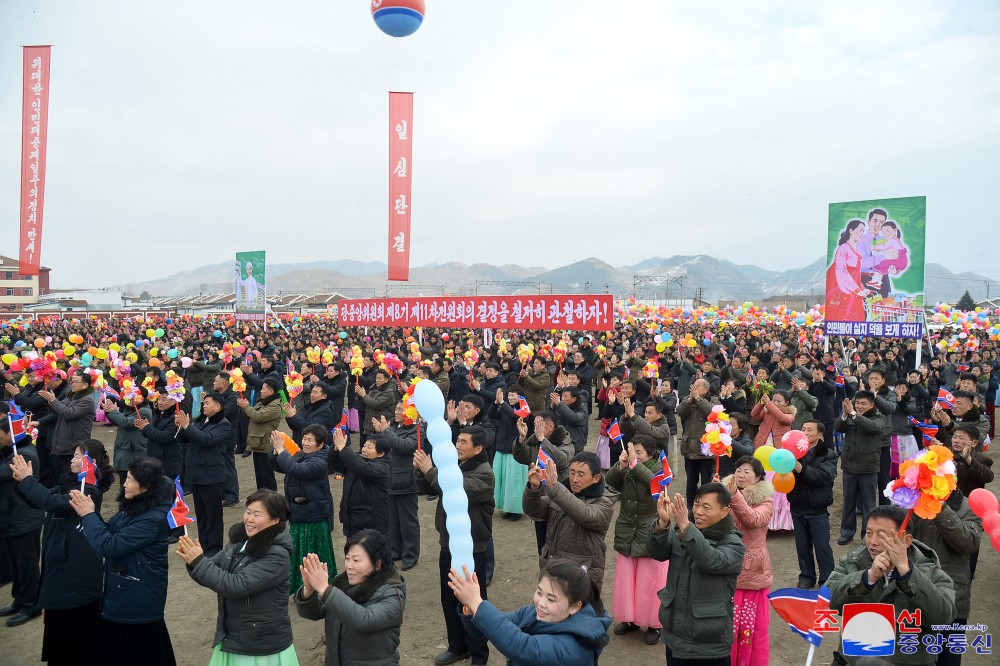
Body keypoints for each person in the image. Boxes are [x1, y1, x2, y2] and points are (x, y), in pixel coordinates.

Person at [69, 457, 176, 665]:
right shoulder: (133, 506)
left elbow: (110, 546)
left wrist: (89, 515)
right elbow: (111, 531)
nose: (124, 483)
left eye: (130, 479)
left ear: (145, 487)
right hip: (124, 593)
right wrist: (91, 516)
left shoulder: (152, 519)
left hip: (138, 598)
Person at [10, 440, 110, 661]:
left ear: (90, 462)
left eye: (77, 455)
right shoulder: (69, 483)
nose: (72, 459)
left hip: (74, 570)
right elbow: (45, 499)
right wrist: (24, 480)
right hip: (60, 565)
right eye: (73, 455)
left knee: (77, 635)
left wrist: (28, 481)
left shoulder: (89, 491)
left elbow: (54, 503)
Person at [176, 489, 299, 665]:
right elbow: (212, 571)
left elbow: (235, 586)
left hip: (259, 644)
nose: (249, 519)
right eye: (248, 512)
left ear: (275, 521)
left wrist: (199, 562)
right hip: (235, 636)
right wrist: (194, 561)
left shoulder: (277, 555)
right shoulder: (240, 541)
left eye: (257, 514)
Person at [827, 505, 957, 666]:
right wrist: (867, 577)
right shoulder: (853, 562)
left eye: (882, 535)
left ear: (906, 540)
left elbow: (943, 617)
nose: (872, 542)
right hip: (854, 659)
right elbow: (826, 600)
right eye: (868, 533)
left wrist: (907, 573)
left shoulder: (929, 570)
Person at [414, 426, 495, 666]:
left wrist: (430, 471)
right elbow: (431, 487)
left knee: (473, 602)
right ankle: (457, 646)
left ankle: (479, 654)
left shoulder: (484, 473)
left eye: (463, 442)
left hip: (471, 547)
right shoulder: (456, 465)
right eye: (457, 440)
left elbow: (455, 490)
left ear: (478, 448)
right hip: (448, 543)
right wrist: (421, 471)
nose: (457, 445)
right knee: (449, 598)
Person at [645, 484, 746, 665]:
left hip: (709, 643)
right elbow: (656, 553)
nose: (698, 512)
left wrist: (685, 525)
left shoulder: (733, 544)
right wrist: (662, 524)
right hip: (675, 636)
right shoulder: (682, 533)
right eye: (696, 504)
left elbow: (710, 559)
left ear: (724, 512)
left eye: (706, 507)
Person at [448, 559, 612, 666]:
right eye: (539, 592)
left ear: (575, 606)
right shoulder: (534, 612)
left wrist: (478, 603)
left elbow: (523, 647)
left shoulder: (575, 647)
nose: (541, 603)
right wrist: (471, 609)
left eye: (551, 599)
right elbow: (493, 628)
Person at [295, 529, 406, 666]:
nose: (349, 566)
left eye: (356, 560)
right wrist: (309, 590)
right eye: (347, 559)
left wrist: (324, 589)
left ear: (377, 564)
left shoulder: (392, 594)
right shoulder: (342, 584)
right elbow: (313, 612)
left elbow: (363, 620)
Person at [523, 451, 618, 595]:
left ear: (596, 478)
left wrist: (555, 488)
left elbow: (585, 515)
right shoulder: (562, 492)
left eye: (581, 474)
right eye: (572, 472)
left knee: (579, 613)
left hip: (582, 572)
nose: (574, 479)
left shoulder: (604, 502)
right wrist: (534, 489)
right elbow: (535, 511)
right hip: (553, 564)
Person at [605, 437, 669, 646]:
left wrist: (634, 464)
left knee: (650, 583)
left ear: (651, 454)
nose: (635, 455)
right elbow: (610, 482)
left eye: (639, 452)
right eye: (634, 451)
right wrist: (620, 465)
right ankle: (630, 620)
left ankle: (654, 624)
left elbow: (655, 484)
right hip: (627, 531)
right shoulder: (630, 467)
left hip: (650, 533)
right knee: (627, 580)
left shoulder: (661, 469)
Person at [909, 489, 982, 666]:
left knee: (947, 658)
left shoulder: (968, 506)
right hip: (913, 595)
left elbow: (968, 542)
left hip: (952, 599)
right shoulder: (910, 501)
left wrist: (940, 508)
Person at [269, 425, 337, 593]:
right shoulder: (302, 455)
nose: (305, 443)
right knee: (298, 551)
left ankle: (318, 586)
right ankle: (300, 585)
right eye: (304, 438)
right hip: (299, 513)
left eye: (310, 440)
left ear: (320, 445)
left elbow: (295, 469)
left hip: (314, 515)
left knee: (314, 552)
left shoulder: (321, 461)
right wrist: (276, 452)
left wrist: (281, 450)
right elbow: (280, 466)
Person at [722, 457, 774, 666]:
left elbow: (752, 519)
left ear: (759, 477)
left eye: (747, 472)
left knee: (749, 628)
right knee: (727, 627)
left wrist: (733, 495)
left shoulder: (766, 501)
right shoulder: (725, 493)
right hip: (727, 565)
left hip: (752, 570)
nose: (741, 475)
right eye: (739, 470)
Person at [0, 418, 44, 627]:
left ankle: (31, 605)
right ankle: (19, 599)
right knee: (16, 563)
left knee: (27, 565)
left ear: (11, 434)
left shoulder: (24, 454)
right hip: (12, 516)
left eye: (1, 435)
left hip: (24, 517)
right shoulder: (11, 450)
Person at [176, 391, 231, 557]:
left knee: (213, 514)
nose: (204, 406)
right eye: (203, 403)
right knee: (201, 514)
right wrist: (180, 427)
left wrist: (188, 427)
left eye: (207, 403)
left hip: (212, 476)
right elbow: (186, 440)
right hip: (197, 474)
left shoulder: (223, 424)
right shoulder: (200, 421)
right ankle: (204, 544)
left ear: (218, 406)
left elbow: (206, 440)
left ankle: (214, 549)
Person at [787, 420, 838, 589]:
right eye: (803, 428)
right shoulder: (793, 453)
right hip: (797, 506)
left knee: (822, 547)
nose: (806, 432)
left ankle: (827, 579)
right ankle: (807, 576)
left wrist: (803, 470)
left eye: (810, 430)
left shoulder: (828, 454)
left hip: (817, 509)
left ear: (820, 434)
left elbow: (825, 477)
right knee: (802, 546)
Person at [835, 390, 889, 545]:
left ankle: (868, 534)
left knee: (869, 504)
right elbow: (838, 427)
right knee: (848, 502)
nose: (859, 406)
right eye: (857, 403)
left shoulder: (879, 417)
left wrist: (853, 414)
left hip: (868, 468)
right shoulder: (851, 415)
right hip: (849, 466)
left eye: (863, 403)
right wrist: (845, 415)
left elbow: (872, 427)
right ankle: (847, 532)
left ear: (872, 404)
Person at [374, 401, 421, 570]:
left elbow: (403, 447)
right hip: (391, 480)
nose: (396, 411)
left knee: (408, 522)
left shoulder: (416, 430)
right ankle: (395, 551)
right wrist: (382, 432)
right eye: (396, 408)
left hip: (406, 481)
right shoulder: (394, 428)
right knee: (393, 521)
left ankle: (411, 555)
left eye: (400, 409)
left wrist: (386, 430)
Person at [328, 427, 391, 537]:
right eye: (365, 446)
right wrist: (336, 450)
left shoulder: (383, 468)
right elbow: (338, 465)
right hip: (352, 519)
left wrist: (344, 448)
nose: (364, 449)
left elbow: (362, 468)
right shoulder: (357, 459)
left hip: (371, 522)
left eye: (369, 447)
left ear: (380, 453)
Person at [37, 370, 96, 481]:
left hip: (73, 444)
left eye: (76, 382)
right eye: (72, 381)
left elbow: (68, 413)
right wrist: (48, 400)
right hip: (62, 442)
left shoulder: (87, 400)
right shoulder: (72, 397)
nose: (72, 384)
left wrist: (53, 400)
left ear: (85, 385)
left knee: (68, 476)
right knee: (59, 474)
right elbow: (58, 411)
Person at [489, 385, 530, 521]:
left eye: (513, 395)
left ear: (521, 397)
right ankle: (507, 507)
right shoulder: (504, 407)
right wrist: (496, 403)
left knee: (514, 480)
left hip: (515, 451)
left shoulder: (524, 409)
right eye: (509, 395)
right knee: (502, 480)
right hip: (501, 447)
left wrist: (502, 403)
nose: (511, 398)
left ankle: (516, 510)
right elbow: (491, 415)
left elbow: (514, 417)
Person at [676, 378, 717, 506]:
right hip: (690, 448)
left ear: (706, 389)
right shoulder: (687, 400)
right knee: (691, 482)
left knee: (706, 482)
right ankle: (690, 507)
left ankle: (705, 505)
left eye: (698, 386)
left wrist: (698, 399)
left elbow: (712, 413)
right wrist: (690, 400)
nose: (694, 388)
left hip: (706, 450)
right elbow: (680, 412)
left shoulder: (713, 400)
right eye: (694, 385)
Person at [238, 376, 283, 491]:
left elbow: (259, 417)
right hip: (257, 443)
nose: (261, 391)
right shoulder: (263, 402)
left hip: (265, 444)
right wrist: (245, 408)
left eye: (263, 389)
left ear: (271, 391)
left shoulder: (275, 406)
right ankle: (262, 496)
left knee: (267, 475)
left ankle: (271, 499)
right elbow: (251, 415)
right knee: (259, 475)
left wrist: (247, 407)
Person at [103, 388, 152, 488]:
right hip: (124, 451)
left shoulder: (144, 411)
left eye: (131, 396)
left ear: (141, 398)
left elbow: (126, 423)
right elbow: (119, 422)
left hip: (134, 452)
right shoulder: (129, 409)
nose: (128, 399)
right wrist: (109, 412)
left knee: (134, 485)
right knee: (124, 485)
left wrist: (113, 411)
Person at [825, 218, 872, 322]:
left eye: (863, 231)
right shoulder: (843, 249)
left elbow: (856, 276)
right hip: (843, 293)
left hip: (853, 293)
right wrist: (857, 290)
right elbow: (842, 272)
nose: (862, 233)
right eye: (860, 230)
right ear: (851, 230)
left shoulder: (856, 251)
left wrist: (862, 288)